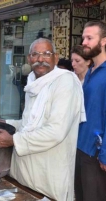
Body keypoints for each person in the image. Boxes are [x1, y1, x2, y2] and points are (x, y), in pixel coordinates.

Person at [0, 38, 85, 200]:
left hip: (48, 177)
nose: (40, 59)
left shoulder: (65, 82)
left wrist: (13, 140)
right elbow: (29, 123)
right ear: (29, 59)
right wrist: (2, 122)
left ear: (56, 58)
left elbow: (56, 131)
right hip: (24, 176)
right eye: (35, 54)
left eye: (46, 54)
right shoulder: (33, 83)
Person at [75, 21, 106, 201]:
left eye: (89, 38)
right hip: (80, 149)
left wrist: (104, 154)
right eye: (83, 38)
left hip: (96, 154)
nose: (84, 42)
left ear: (103, 41)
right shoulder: (90, 71)